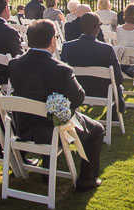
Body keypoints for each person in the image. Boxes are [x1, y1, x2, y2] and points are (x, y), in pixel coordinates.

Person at [8, 21, 105, 191]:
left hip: (22, 126)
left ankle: (47, 170)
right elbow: (78, 97)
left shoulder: (15, 64)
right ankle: (87, 179)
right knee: (97, 129)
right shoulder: (61, 69)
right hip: (51, 130)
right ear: (53, 41)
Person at [60, 12, 126, 104]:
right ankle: (115, 114)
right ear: (96, 27)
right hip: (102, 93)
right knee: (118, 87)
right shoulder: (107, 49)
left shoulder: (67, 47)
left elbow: (63, 74)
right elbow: (118, 78)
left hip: (76, 91)